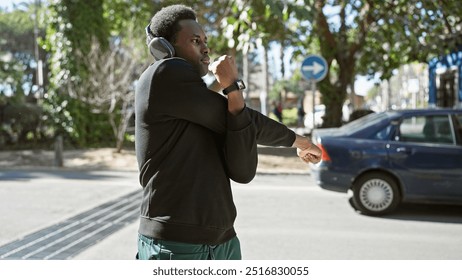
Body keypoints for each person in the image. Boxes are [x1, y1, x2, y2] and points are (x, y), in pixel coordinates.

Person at [135, 4, 321, 260]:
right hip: (177, 244)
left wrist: (300, 142)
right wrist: (233, 87)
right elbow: (244, 117)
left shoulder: (195, 95)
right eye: (195, 40)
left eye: (205, 41)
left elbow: (241, 122)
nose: (205, 48)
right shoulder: (163, 74)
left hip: (223, 241)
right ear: (164, 47)